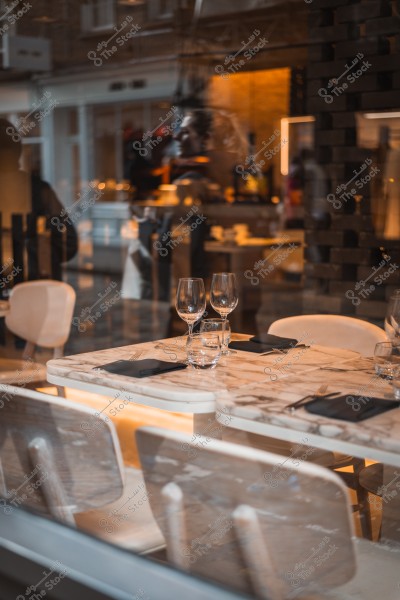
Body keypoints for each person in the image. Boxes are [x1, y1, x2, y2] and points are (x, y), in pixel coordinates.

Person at [0, 118, 78, 279]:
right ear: (18, 151)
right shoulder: (40, 190)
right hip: (39, 288)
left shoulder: (41, 190)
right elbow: (68, 244)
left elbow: (68, 243)